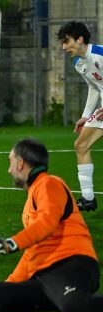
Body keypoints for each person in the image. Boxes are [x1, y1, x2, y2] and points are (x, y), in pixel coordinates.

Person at [0, 139, 103, 312]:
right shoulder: (33, 196)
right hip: (44, 277)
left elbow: (47, 223)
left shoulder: (49, 183)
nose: (9, 170)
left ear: (20, 163)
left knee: (77, 308)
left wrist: (12, 243)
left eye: (10, 162)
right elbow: (34, 248)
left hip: (71, 265)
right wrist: (9, 283)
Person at [57, 21, 101, 211]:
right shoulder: (78, 63)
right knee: (81, 145)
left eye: (67, 42)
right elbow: (94, 87)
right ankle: (88, 198)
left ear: (80, 40)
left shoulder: (99, 54)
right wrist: (86, 115)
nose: (63, 47)